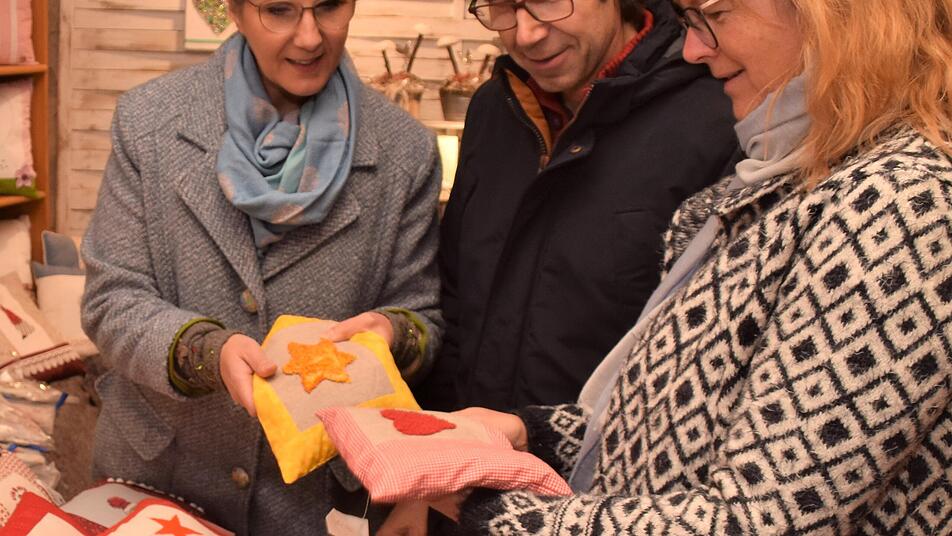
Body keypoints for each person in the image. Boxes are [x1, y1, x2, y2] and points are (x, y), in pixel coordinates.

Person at [444, 0, 952, 533]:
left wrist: (474, 505)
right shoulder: (795, 178)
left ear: (836, 15)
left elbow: (762, 520)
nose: (693, 49)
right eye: (689, 22)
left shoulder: (902, 204)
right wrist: (534, 436)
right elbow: (690, 430)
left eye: (715, 14)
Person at [80, 0, 442, 534]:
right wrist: (207, 352)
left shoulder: (405, 151)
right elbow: (112, 299)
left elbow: (422, 318)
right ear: (234, 10)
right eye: (279, 9)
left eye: (329, 6)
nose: (310, 37)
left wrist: (392, 335)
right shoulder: (149, 121)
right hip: (161, 482)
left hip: (315, 500)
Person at [421, 0, 739, 415]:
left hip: (607, 451)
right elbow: (456, 296)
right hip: (469, 446)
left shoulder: (718, 117)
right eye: (501, 7)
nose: (526, 34)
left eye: (548, 1)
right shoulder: (493, 108)